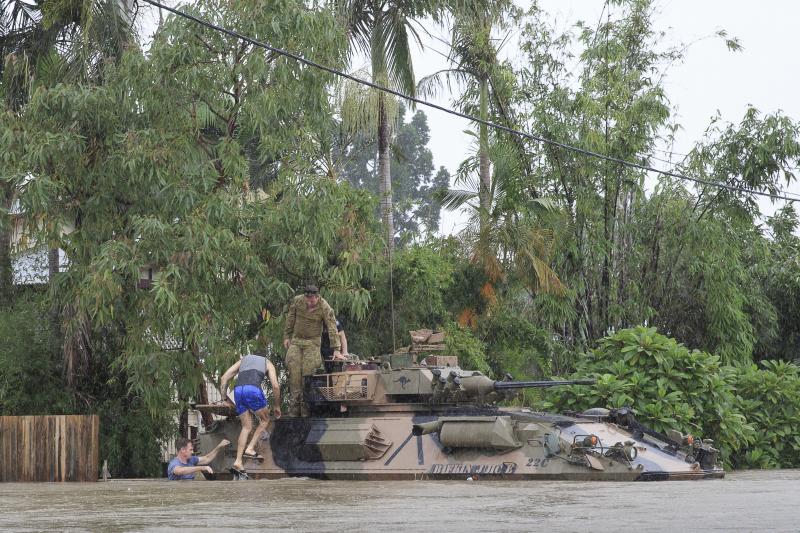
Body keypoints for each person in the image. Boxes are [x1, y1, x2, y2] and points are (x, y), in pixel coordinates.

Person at [283, 284, 343, 416]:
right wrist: (287, 336)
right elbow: (290, 317)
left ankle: (305, 412)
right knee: (294, 373)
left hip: (313, 343)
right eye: (307, 300)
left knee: (308, 375)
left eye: (312, 301)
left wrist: (336, 349)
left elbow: (332, 327)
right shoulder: (298, 300)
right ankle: (293, 411)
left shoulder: (324, 307)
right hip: (297, 341)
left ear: (317, 297)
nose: (309, 303)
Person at [219, 352, 281, 476]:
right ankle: (250, 448)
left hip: (238, 391)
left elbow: (224, 378)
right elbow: (275, 385)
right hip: (252, 390)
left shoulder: (243, 360)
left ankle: (238, 461)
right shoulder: (267, 362)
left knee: (246, 426)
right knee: (265, 420)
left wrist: (224, 399)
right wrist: (277, 405)